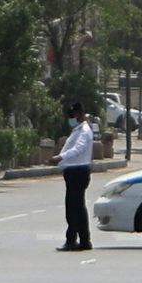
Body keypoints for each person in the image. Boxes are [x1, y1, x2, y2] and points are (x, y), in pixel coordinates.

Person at [48, 101, 93, 252]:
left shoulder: (84, 131)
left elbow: (78, 149)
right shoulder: (77, 130)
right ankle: (84, 240)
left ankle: (72, 239)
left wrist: (60, 157)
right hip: (74, 171)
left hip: (78, 172)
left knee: (73, 208)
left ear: (80, 115)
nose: (70, 119)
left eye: (72, 115)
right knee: (78, 207)